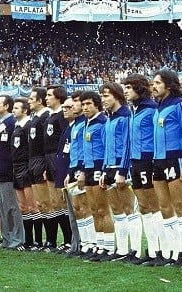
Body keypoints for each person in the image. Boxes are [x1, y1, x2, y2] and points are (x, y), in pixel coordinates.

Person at [149, 68, 182, 266]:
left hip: (174, 159)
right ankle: (172, 253)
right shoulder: (158, 107)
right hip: (158, 161)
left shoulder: (180, 106)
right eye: (153, 83)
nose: (154, 86)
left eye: (158, 83)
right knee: (164, 207)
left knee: (179, 206)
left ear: (169, 85)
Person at [122, 74, 165, 265]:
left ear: (139, 89)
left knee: (154, 206)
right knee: (144, 207)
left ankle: (162, 250)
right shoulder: (135, 110)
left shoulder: (152, 109)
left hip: (148, 161)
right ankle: (153, 249)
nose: (126, 91)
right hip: (136, 162)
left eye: (129, 87)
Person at [99, 82, 140, 261]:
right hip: (109, 167)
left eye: (107, 95)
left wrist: (123, 169)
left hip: (122, 168)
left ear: (117, 95)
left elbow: (127, 145)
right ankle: (122, 250)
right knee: (117, 210)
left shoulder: (126, 116)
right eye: (102, 95)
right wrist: (104, 170)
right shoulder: (110, 117)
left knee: (129, 209)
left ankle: (136, 250)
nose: (103, 99)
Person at [77, 90, 115, 261]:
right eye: (83, 104)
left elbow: (107, 148)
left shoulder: (102, 122)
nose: (85, 108)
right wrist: (83, 171)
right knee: (94, 210)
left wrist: (105, 170)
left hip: (100, 168)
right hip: (89, 169)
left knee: (103, 209)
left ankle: (109, 246)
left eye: (88, 104)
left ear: (97, 105)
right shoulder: (86, 123)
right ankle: (99, 245)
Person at [0, 95, 24, 249]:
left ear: (6, 106)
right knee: (1, 208)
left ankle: (17, 239)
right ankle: (7, 238)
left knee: (11, 207)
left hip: (7, 171)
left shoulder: (11, 123)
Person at [64, 91, 97, 257]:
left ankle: (92, 243)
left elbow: (85, 150)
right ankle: (85, 243)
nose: (74, 105)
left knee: (86, 207)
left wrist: (81, 170)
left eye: (77, 102)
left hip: (84, 169)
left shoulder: (86, 123)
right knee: (78, 208)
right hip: (74, 168)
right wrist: (70, 171)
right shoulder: (76, 125)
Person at [44, 85, 71, 251]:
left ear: (58, 98)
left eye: (49, 95)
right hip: (50, 160)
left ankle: (69, 239)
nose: (46, 98)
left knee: (62, 200)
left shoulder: (62, 116)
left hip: (58, 158)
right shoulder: (50, 116)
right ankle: (56, 240)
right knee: (55, 202)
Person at [27, 87, 50, 250]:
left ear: (39, 101)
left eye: (31, 98)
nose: (29, 101)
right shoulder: (35, 118)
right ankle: (41, 240)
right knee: (39, 203)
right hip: (33, 161)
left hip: (42, 161)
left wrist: (46, 165)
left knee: (48, 203)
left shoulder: (46, 117)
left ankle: (52, 240)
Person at [11, 97, 34, 250]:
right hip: (16, 167)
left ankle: (37, 241)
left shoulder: (29, 126)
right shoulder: (16, 126)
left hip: (26, 166)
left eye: (17, 108)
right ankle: (28, 240)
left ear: (25, 110)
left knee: (33, 206)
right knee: (23, 206)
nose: (13, 110)